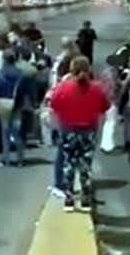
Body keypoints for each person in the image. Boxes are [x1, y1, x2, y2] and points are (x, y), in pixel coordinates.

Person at [50, 56, 109, 211]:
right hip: (88, 130)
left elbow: (54, 103)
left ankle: (69, 199)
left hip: (68, 129)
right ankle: (85, 199)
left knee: (68, 163)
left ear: (72, 69)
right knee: (85, 165)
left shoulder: (63, 87)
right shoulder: (97, 88)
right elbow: (105, 106)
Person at [0, 50, 25, 166]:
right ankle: (20, 159)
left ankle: (5, 159)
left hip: (3, 103)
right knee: (16, 131)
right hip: (17, 103)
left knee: (5, 131)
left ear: (4, 60)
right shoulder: (21, 74)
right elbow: (23, 91)